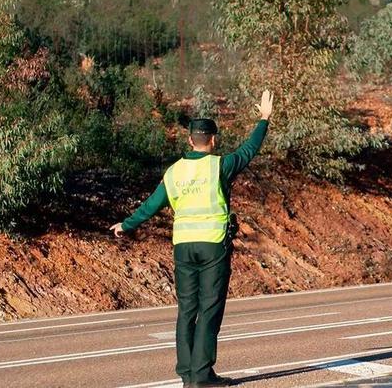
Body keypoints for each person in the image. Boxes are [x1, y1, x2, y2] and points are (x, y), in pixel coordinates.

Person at [110, 90, 274, 388]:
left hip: (183, 247)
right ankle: (202, 375)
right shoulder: (220, 165)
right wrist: (264, 119)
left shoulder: (174, 172)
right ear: (213, 140)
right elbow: (250, 149)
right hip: (213, 246)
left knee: (187, 309)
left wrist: (126, 224)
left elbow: (151, 205)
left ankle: (187, 373)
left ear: (189, 140)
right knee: (209, 308)